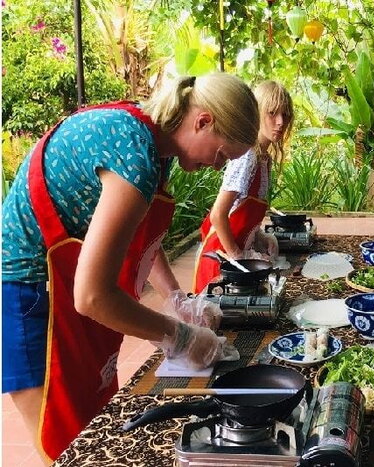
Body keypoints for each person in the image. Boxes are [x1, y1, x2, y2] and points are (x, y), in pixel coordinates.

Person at [1, 73, 260, 461]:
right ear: (203, 121)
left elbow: (141, 235)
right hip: (28, 288)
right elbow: (92, 296)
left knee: (95, 416)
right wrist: (181, 336)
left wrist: (177, 298)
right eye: (221, 154)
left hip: (61, 281)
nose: (214, 166)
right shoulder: (136, 155)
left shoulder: (153, 143)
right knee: (68, 442)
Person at [193, 80, 294, 293]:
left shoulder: (264, 158)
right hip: (220, 257)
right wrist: (238, 259)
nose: (280, 122)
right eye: (272, 113)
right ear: (257, 113)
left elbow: (242, 212)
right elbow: (218, 215)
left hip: (238, 254)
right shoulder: (246, 156)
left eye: (285, 115)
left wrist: (258, 237)